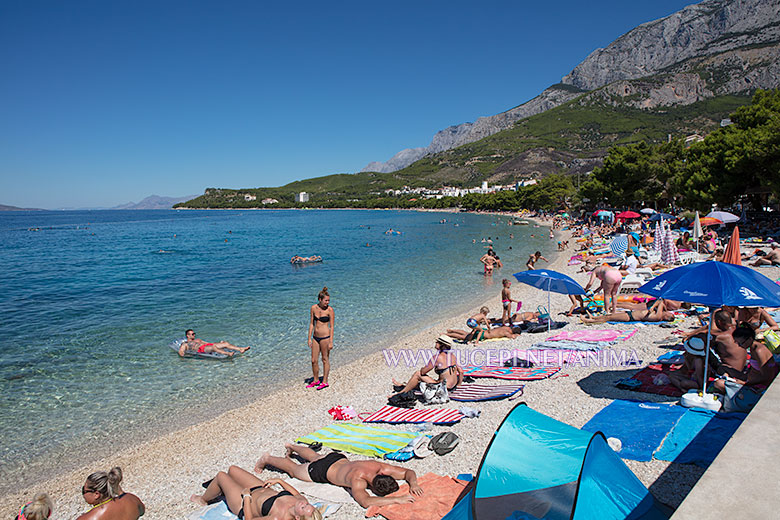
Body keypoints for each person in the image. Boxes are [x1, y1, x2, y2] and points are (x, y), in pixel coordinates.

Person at [254, 447, 423, 509]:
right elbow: (366, 502)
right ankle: (267, 459)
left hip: (337, 458)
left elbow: (408, 472)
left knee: (315, 456)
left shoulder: (379, 467)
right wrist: (397, 500)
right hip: (322, 470)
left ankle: (292, 447)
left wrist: (413, 483)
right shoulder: (358, 481)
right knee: (293, 469)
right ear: (372, 487)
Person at [190, 465, 321, 520]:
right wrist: (279, 481)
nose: (303, 503)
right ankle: (222, 489)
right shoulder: (301, 502)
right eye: (308, 505)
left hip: (243, 503)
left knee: (221, 476)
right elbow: (296, 493)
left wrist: (246, 497)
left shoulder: (277, 517)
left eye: (304, 507)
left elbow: (249, 519)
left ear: (297, 517)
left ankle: (203, 499)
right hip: (259, 487)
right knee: (233, 469)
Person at [391, 335, 463, 393]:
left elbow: (423, 372)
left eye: (437, 342)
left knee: (417, 374)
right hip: (452, 386)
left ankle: (402, 392)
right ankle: (404, 385)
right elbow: (461, 371)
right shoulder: (452, 356)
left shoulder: (436, 358)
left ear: (442, 345)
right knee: (421, 380)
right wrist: (459, 385)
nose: (435, 343)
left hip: (444, 388)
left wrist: (423, 368)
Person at [77, 467, 145, 520]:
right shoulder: (131, 499)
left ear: (96, 494)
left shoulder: (88, 518)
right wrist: (120, 491)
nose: (83, 494)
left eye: (84, 490)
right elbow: (142, 511)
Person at [307, 287, 334, 390]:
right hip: (315, 338)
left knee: (324, 359)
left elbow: (332, 327)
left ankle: (325, 381)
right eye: (325, 300)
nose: (327, 302)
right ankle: (315, 380)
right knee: (314, 360)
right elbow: (311, 324)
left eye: (328, 300)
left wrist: (331, 341)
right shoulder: (313, 308)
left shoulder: (330, 310)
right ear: (320, 299)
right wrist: (309, 338)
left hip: (325, 337)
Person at [581, 298, 674, 324]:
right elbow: (660, 301)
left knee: (609, 317)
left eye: (669, 314)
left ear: (667, 317)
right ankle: (594, 317)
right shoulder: (659, 314)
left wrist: (653, 307)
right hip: (631, 314)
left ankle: (590, 321)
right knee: (609, 315)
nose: (669, 312)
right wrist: (653, 307)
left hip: (631, 317)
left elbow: (661, 302)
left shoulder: (658, 316)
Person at [180, 329, 249, 357]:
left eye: (194, 333)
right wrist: (183, 356)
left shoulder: (198, 340)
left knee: (225, 343)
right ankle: (228, 353)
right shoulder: (185, 344)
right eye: (192, 334)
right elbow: (181, 351)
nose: (194, 335)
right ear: (187, 335)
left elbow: (208, 343)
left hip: (206, 346)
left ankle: (240, 349)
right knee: (213, 347)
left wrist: (219, 343)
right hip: (200, 349)